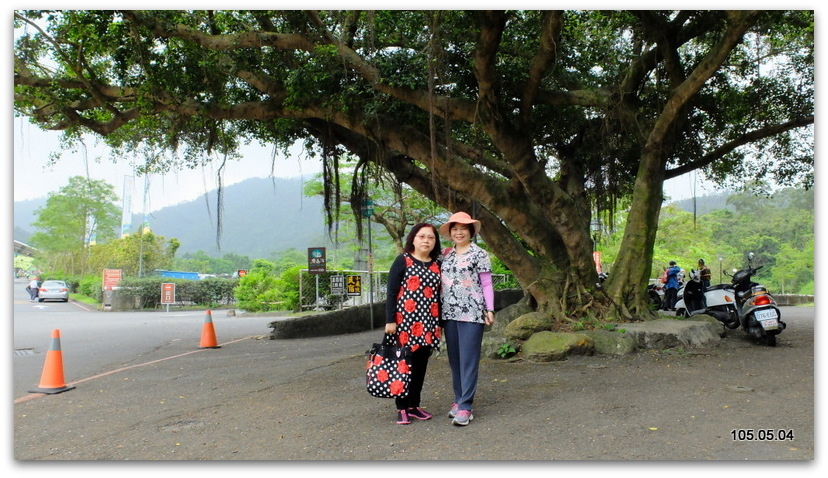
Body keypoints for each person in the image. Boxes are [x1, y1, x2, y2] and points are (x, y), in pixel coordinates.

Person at [439, 211, 495, 426]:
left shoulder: (479, 254)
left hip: (472, 313)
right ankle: (458, 399)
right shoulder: (446, 255)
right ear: (450, 232)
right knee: (455, 360)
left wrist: (489, 309)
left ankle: (466, 406)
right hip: (449, 313)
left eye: (463, 228)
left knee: (468, 360)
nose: (459, 232)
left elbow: (487, 284)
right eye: (455, 229)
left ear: (470, 231)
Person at [384, 222, 443, 425]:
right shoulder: (403, 260)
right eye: (422, 236)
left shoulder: (437, 264)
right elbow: (391, 292)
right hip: (404, 324)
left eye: (430, 237)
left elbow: (439, 297)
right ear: (413, 239)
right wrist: (390, 320)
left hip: (428, 325)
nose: (426, 240)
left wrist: (440, 324)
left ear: (435, 242)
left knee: (420, 366)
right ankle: (402, 407)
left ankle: (414, 405)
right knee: (403, 366)